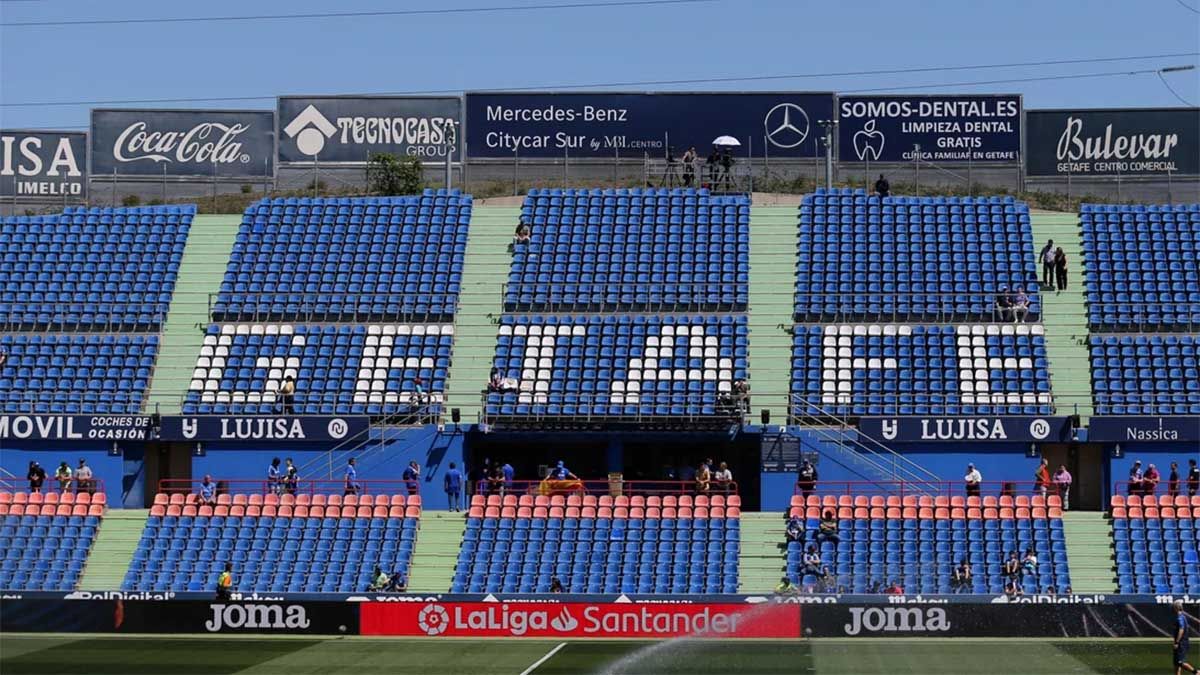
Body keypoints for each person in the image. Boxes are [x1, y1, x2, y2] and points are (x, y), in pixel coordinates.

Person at [1174, 599, 1198, 675]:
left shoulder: (1180, 618)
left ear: (1176, 608)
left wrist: (1177, 642)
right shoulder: (1183, 617)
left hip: (1182, 643)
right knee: (1177, 663)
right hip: (1183, 642)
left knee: (1180, 662)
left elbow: (1181, 629)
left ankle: (1196, 672)